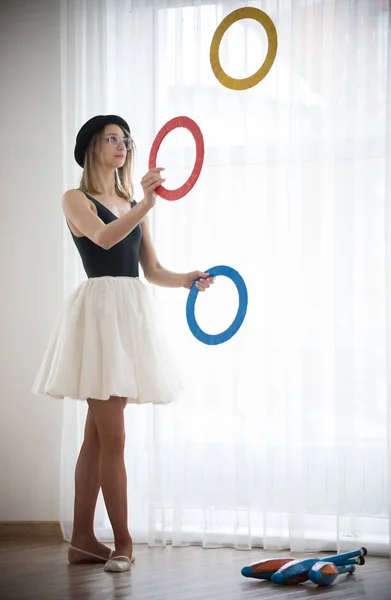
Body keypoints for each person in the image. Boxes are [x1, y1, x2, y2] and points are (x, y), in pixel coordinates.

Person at [32, 114, 214, 572]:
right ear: (93, 147)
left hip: (128, 315)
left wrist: (188, 280)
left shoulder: (131, 200)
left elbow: (150, 270)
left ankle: (82, 541)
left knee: (97, 438)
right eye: (113, 138)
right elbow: (104, 237)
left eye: (126, 140)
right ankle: (124, 543)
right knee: (113, 436)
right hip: (98, 317)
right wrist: (147, 205)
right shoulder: (76, 199)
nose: (123, 146)